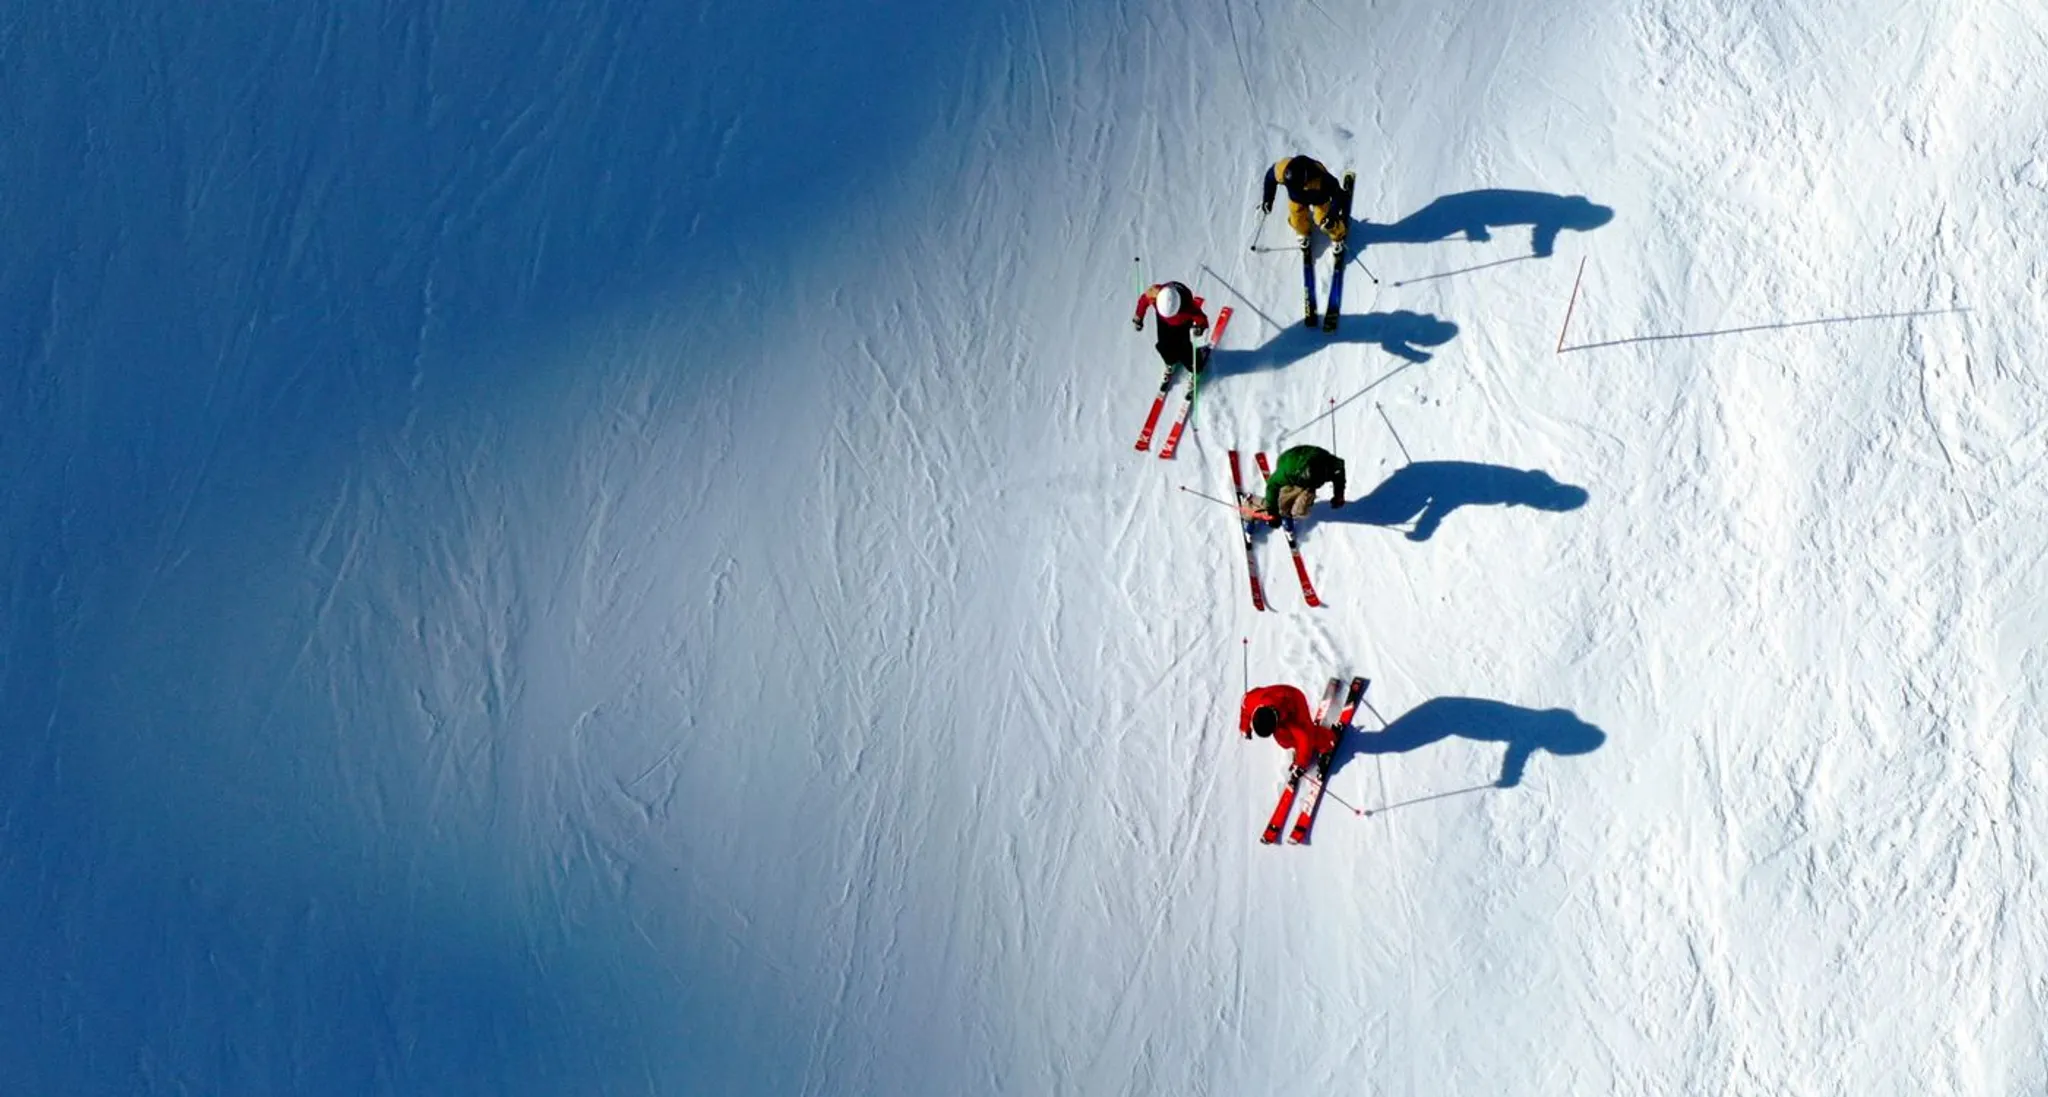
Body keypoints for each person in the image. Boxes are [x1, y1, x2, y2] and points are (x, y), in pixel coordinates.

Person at [1239, 683, 1338, 779]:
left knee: (1308, 733)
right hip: (1278, 702)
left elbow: (1305, 738)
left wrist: (1300, 764)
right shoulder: (1252, 700)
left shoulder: (1293, 720)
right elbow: (1245, 708)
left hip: (1295, 702)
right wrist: (1244, 727)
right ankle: (1301, 750)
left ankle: (1329, 742)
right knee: (1283, 740)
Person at [1260, 155, 1349, 247]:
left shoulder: (1320, 176)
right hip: (1297, 200)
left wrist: (1332, 213)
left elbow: (1336, 193)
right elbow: (1269, 179)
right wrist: (1268, 199)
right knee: (1296, 220)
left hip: (1319, 198)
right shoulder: (1282, 168)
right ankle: (1303, 232)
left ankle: (1338, 235)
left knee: (1325, 221)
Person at [1257, 444, 1347, 527]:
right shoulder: (1288, 472)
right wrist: (1273, 513)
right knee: (1282, 505)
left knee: (1300, 511)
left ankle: (1288, 506)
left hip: (1304, 465)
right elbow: (1272, 485)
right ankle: (1252, 503)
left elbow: (1339, 470)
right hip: (1288, 462)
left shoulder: (1330, 463)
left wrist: (1339, 494)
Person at [1131, 280, 1211, 373]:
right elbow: (1143, 301)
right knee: (1164, 346)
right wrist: (1138, 317)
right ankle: (1171, 361)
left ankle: (1197, 362)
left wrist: (1200, 328)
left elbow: (1201, 318)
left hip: (1182, 325)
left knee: (1184, 350)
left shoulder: (1188, 306)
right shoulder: (1155, 293)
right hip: (1163, 322)